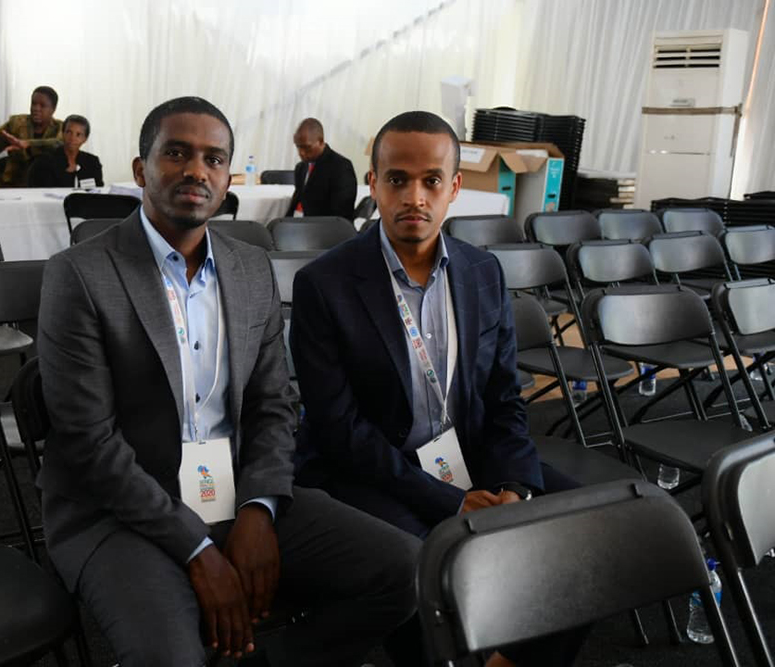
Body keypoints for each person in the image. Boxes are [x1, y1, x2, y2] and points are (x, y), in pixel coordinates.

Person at [36, 96, 420, 666]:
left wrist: (259, 508)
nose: (197, 170)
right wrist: (197, 548)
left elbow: (274, 404)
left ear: (227, 180)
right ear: (140, 170)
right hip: (118, 511)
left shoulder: (250, 268)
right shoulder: (80, 275)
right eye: (177, 154)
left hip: (236, 489)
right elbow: (90, 445)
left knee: (407, 572)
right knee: (171, 658)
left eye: (214, 159)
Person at [290, 111, 584, 666]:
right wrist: (452, 502)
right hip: (369, 471)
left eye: (431, 181)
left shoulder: (482, 272)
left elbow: (503, 399)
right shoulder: (324, 284)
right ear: (373, 184)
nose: (414, 197)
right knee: (430, 572)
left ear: (454, 187)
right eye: (397, 179)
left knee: (584, 532)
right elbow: (340, 430)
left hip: (465, 455)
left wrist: (514, 488)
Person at [0, 85, 63, 187]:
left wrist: (28, 143)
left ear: (53, 109)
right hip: (14, 187)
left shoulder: (60, 128)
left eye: (42, 105)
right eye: (33, 103)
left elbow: (59, 143)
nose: (36, 109)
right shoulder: (16, 124)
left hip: (47, 187)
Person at [286, 118, 357, 220]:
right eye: (298, 147)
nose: (301, 152)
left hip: (324, 226)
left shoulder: (341, 167)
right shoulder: (301, 168)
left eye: (307, 147)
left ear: (321, 141)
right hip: (298, 222)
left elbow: (342, 213)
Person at [27, 114, 104, 188]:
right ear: (63, 133)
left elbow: (99, 191)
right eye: (69, 132)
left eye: (78, 134)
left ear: (85, 139)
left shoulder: (92, 162)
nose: (72, 138)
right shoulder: (44, 162)